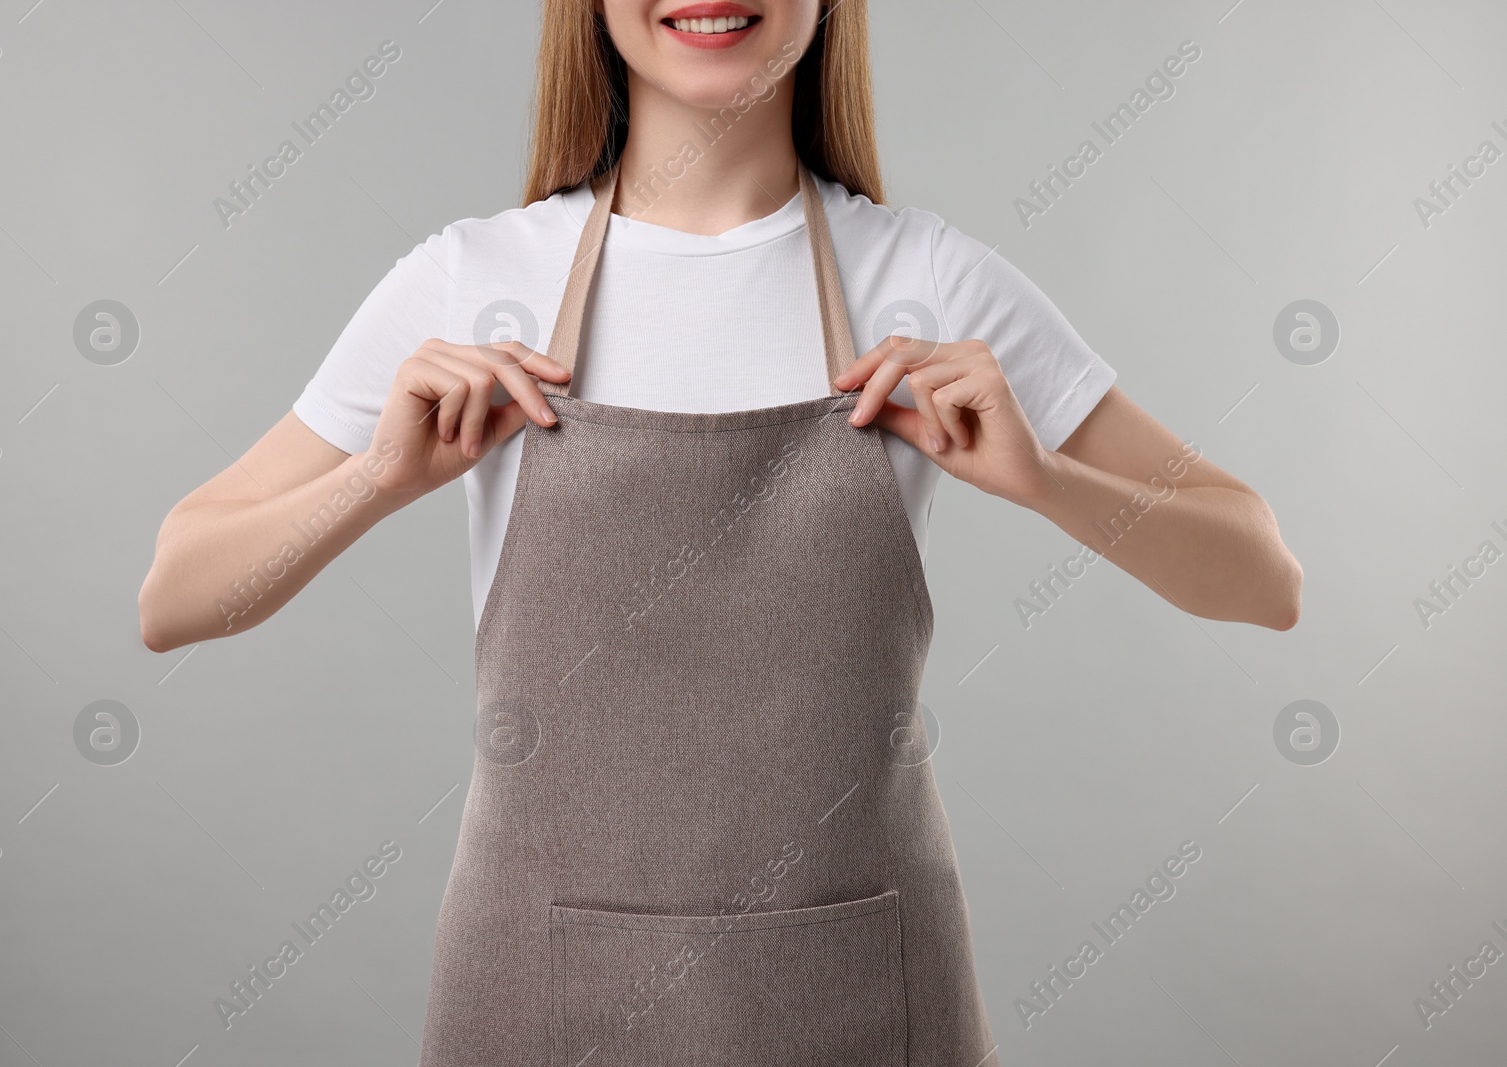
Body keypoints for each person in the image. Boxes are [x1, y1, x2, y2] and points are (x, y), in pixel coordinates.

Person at [139, 2, 1302, 1062]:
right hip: (538, 988)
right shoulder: (480, 277)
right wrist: (380, 482)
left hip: (862, 989)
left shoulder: (927, 278)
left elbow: (1261, 573)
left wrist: (1044, 477)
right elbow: (176, 594)